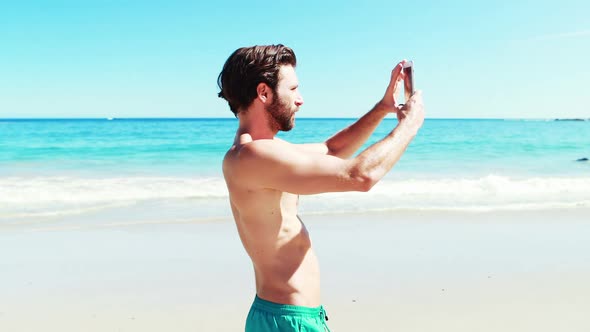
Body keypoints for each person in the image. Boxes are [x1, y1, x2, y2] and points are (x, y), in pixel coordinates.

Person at [218, 44, 424, 332]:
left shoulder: (265, 152)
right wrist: (410, 126)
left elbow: (333, 149)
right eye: (293, 89)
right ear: (264, 93)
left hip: (288, 316)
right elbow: (360, 175)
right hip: (288, 320)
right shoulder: (252, 157)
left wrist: (383, 108)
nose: (300, 100)